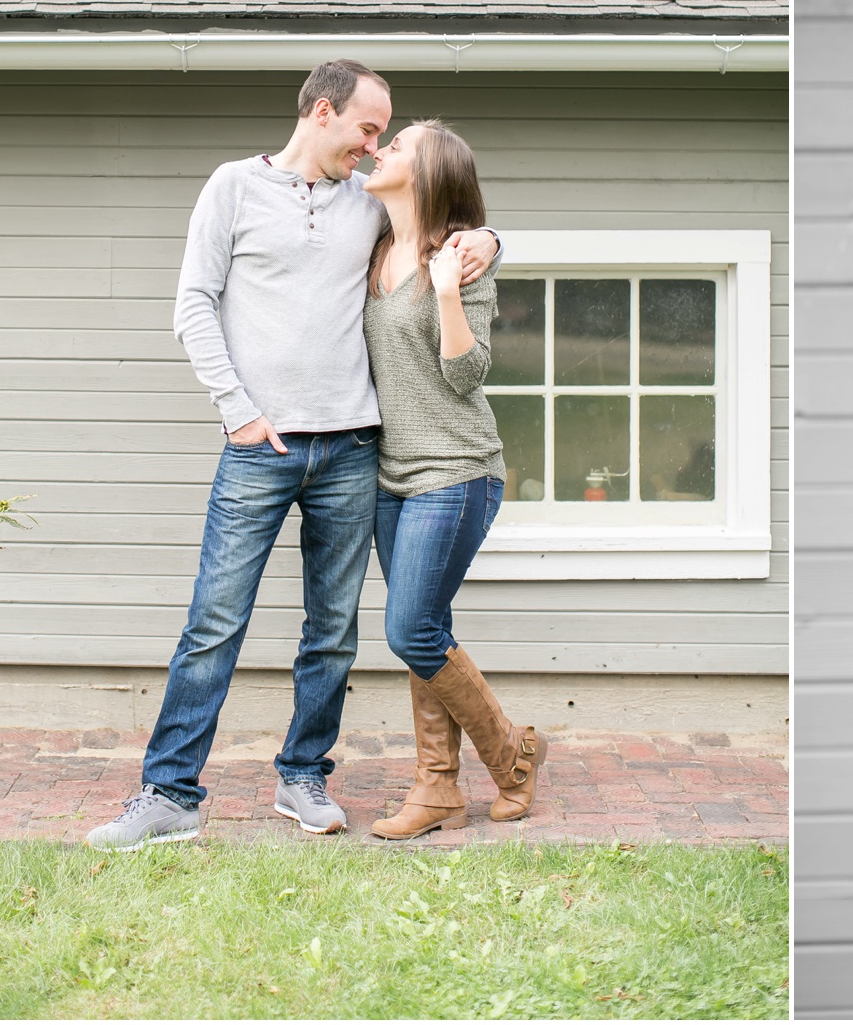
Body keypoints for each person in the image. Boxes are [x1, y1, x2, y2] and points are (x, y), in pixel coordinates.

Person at [87, 61, 500, 853]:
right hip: (257, 449)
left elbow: (442, 232)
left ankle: (304, 772)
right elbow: (192, 304)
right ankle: (170, 792)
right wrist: (236, 410)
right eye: (368, 129)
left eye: (386, 135)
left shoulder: (367, 207)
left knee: (333, 629)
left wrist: (490, 238)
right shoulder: (233, 188)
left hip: (352, 449)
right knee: (214, 622)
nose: (376, 148)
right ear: (321, 111)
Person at [359, 119, 544, 840]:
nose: (382, 149)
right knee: (425, 630)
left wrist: (445, 291)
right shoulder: (374, 247)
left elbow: (466, 374)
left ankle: (514, 755)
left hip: (457, 470)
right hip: (390, 475)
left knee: (410, 627)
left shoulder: (462, 258)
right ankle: (437, 789)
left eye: (398, 144)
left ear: (430, 169)